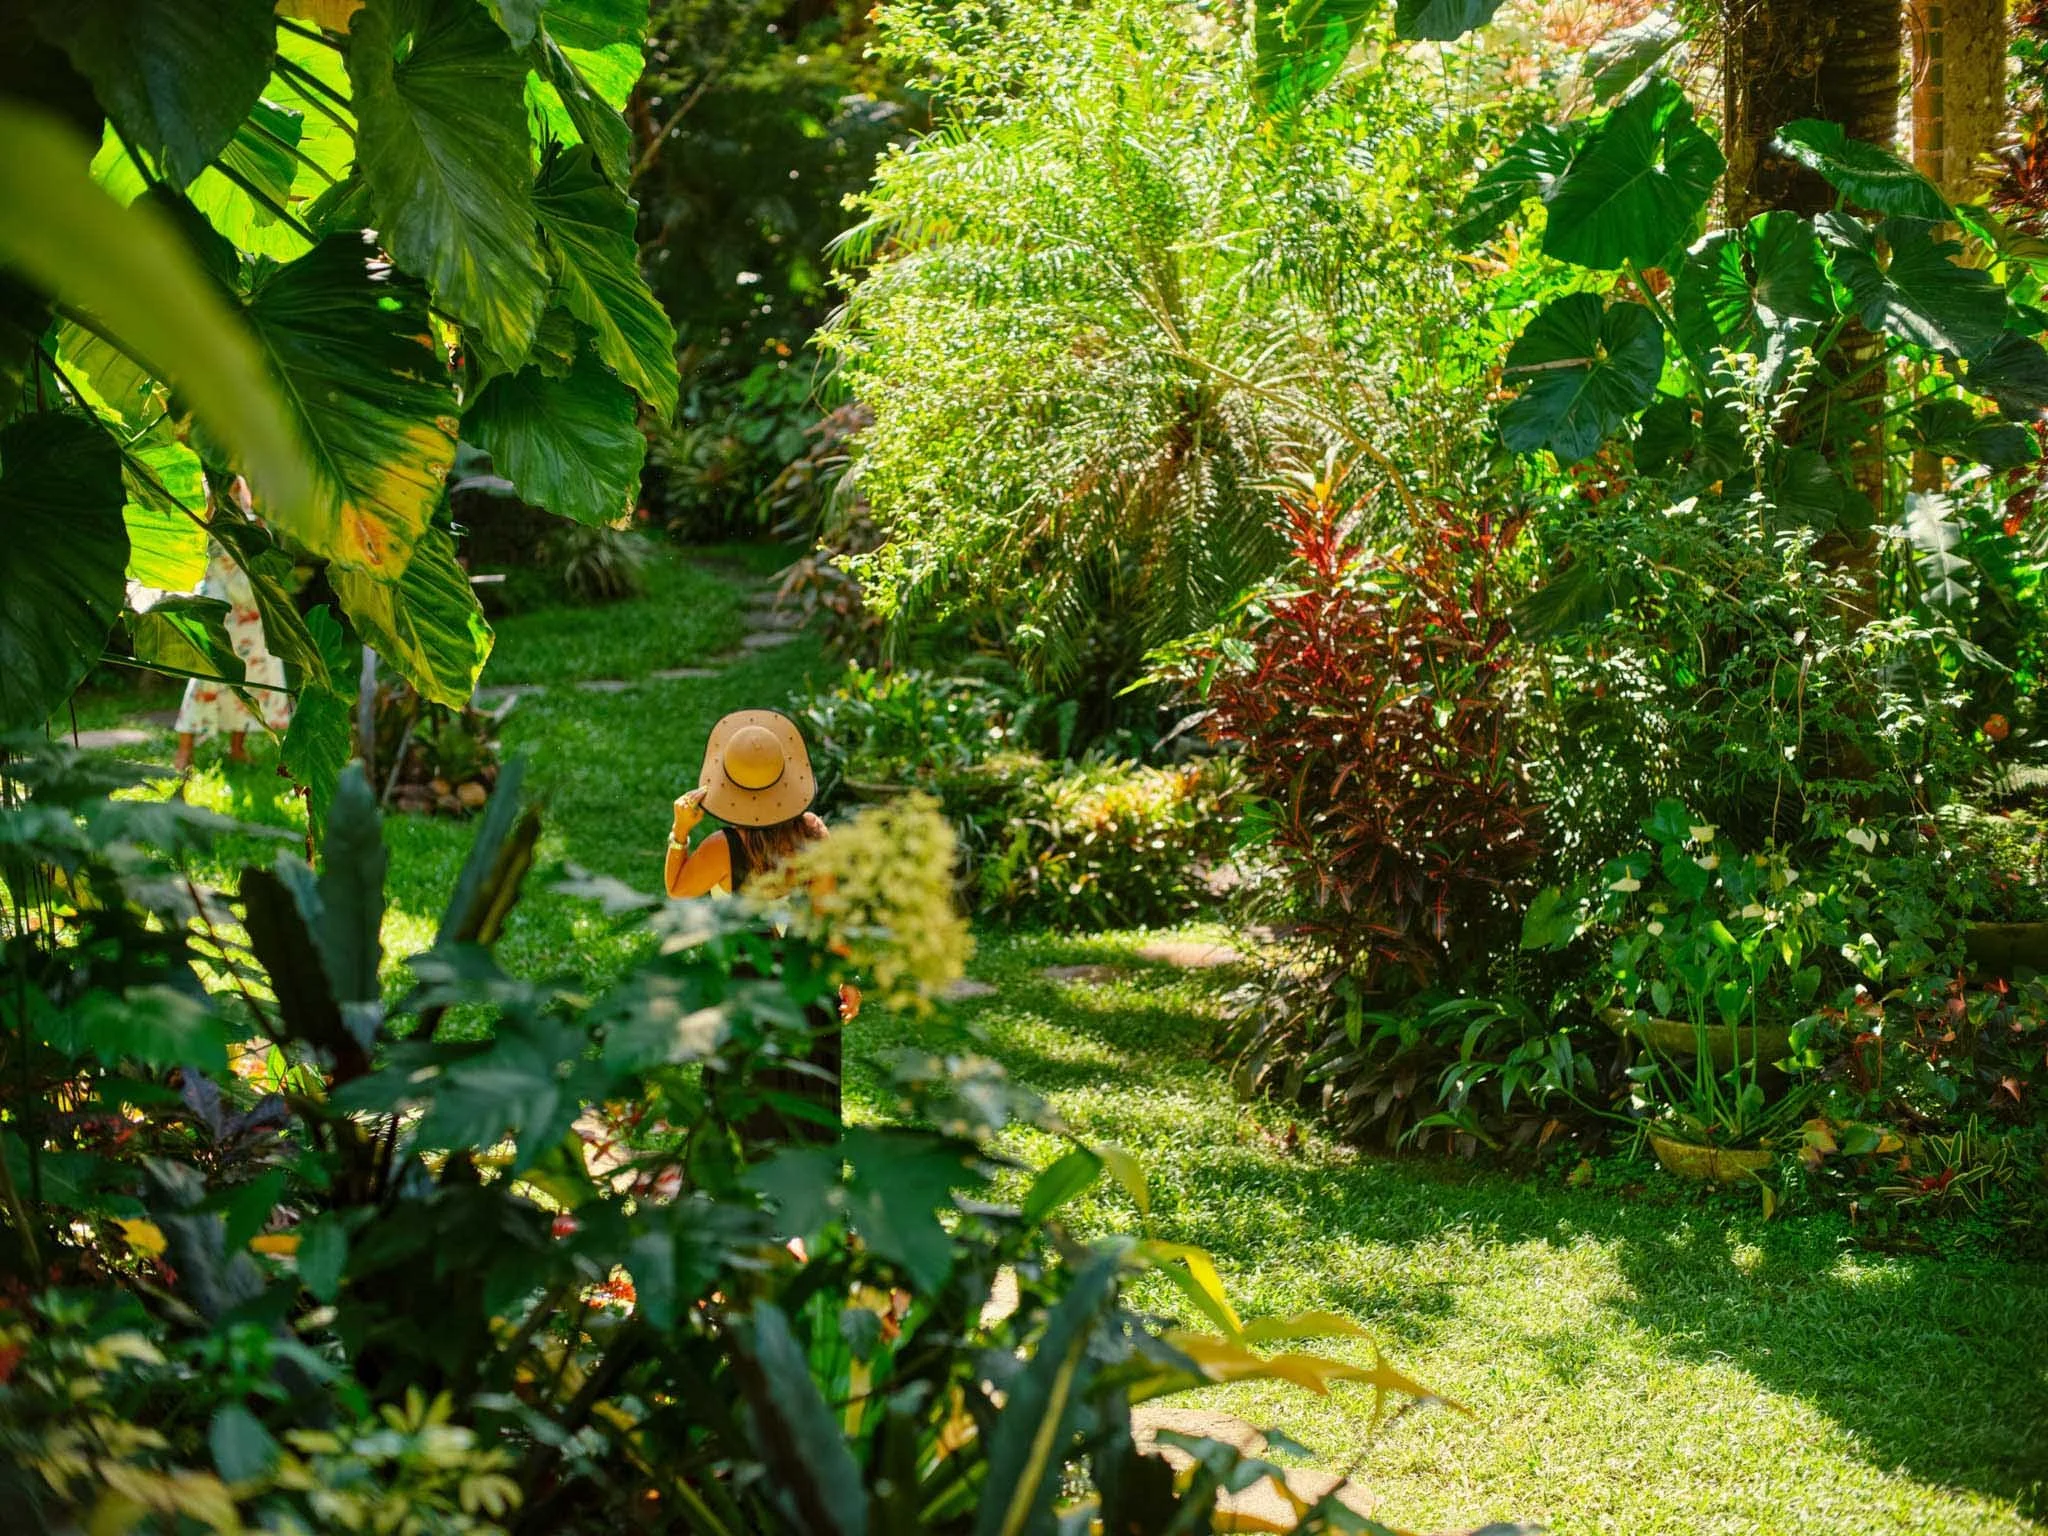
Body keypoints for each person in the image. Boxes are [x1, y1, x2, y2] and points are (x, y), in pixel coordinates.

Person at [665, 709, 853, 1141]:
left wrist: (680, 832)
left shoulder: (721, 848)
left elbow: (677, 887)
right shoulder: (814, 834)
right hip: (809, 995)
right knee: (810, 1112)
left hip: (745, 999)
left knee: (743, 1118)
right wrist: (848, 980)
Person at [170, 482, 292, 773]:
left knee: (253, 671)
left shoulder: (253, 483)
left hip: (251, 596)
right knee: (208, 672)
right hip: (219, 594)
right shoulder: (209, 481)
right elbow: (198, 529)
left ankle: (237, 748)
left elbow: (264, 536)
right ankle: (185, 751)